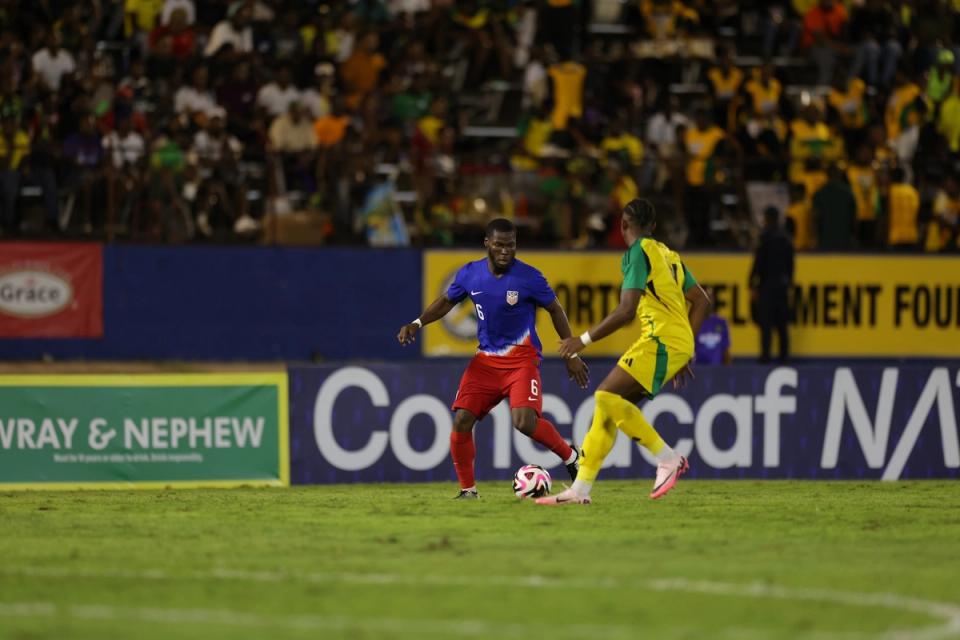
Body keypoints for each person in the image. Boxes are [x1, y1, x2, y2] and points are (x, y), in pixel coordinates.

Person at [396, 218, 590, 500]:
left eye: (510, 245)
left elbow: (556, 310)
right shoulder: (470, 274)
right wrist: (417, 323)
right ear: (487, 243)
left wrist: (570, 353)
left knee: (523, 421)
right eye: (499, 245)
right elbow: (446, 302)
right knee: (462, 420)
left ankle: (572, 457)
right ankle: (468, 491)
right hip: (486, 362)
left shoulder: (530, 277)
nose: (505, 251)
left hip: (522, 360)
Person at [537, 199, 711, 505]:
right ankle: (580, 490)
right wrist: (686, 348)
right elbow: (702, 301)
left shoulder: (636, 253)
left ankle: (668, 459)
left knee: (605, 396)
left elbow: (627, 310)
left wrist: (584, 340)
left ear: (623, 225)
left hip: (661, 339)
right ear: (653, 227)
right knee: (606, 410)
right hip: (674, 341)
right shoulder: (668, 255)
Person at [750, 206, 795, 364]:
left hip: (767, 285)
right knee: (782, 325)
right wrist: (789, 282)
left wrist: (752, 282)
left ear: (768, 219)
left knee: (766, 324)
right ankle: (784, 357)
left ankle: (765, 357)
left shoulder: (765, 238)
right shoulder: (786, 238)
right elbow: (791, 265)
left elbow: (759, 262)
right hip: (781, 286)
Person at [695, 287, 732, 365]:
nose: (709, 301)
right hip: (698, 370)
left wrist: (728, 371)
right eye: (706, 298)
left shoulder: (721, 322)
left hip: (717, 371)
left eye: (711, 298)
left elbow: (726, 350)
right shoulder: (694, 321)